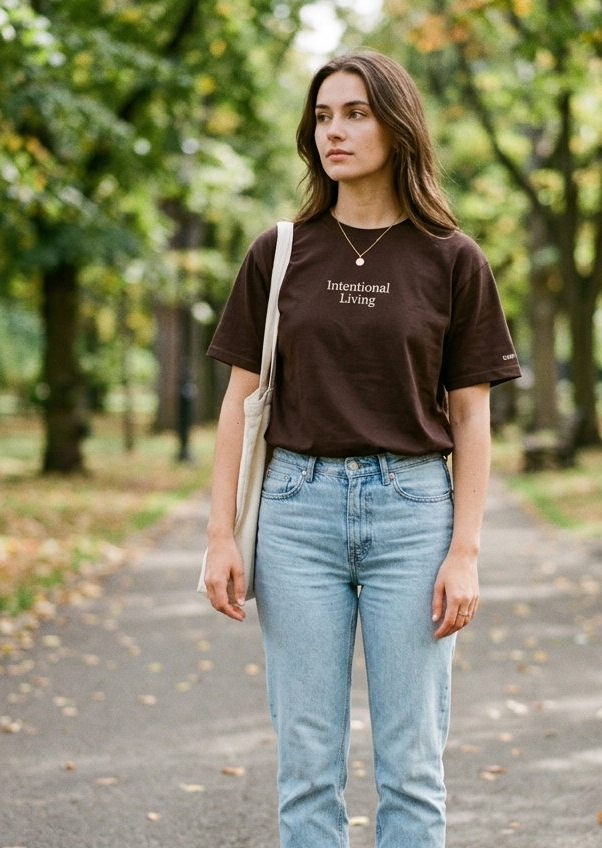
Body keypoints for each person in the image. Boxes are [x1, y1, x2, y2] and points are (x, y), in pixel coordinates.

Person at [203, 50, 521, 848]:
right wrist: (219, 536)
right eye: (322, 116)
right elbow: (239, 402)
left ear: (398, 125)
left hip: (414, 516)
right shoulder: (279, 252)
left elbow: (471, 416)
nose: (333, 132)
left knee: (412, 766)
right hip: (295, 513)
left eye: (355, 113)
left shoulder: (453, 258)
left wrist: (466, 552)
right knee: (307, 766)